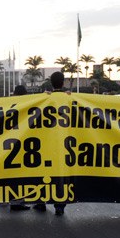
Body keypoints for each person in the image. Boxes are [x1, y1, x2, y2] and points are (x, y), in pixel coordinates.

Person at [47, 71, 69, 216]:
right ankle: (60, 205)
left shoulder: (45, 99)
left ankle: (41, 201)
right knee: (63, 174)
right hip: (66, 142)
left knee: (47, 172)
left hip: (48, 142)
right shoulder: (70, 99)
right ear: (63, 82)